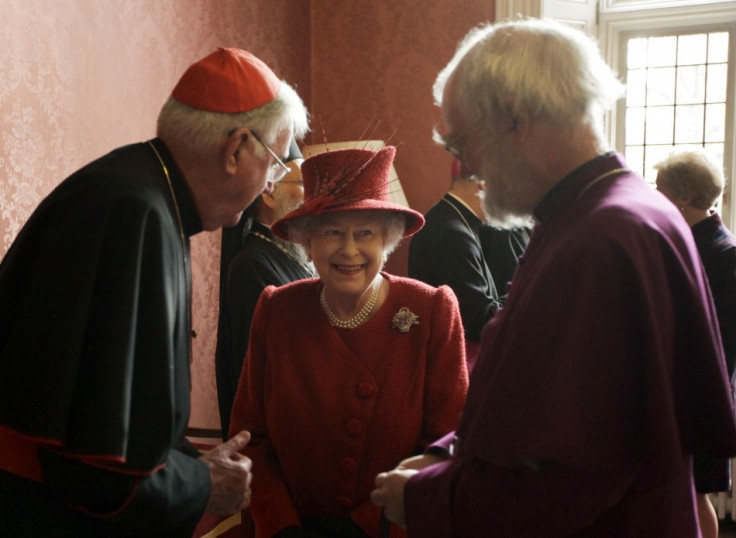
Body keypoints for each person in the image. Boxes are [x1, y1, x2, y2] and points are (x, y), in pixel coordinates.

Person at [371, 19, 736, 537]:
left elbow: (574, 473)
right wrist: (444, 456)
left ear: (515, 120)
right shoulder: (604, 212)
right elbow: (532, 404)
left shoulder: (600, 237)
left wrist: (427, 496)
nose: (464, 166)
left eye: (461, 144)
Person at [0, 47, 308, 537]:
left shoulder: (138, 190)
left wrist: (192, 465)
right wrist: (203, 485)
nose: (269, 182)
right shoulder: (136, 217)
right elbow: (96, 470)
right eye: (273, 164)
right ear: (236, 149)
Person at [229, 145, 469, 537]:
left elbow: (448, 442)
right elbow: (249, 439)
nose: (349, 249)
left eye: (365, 233)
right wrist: (281, 525)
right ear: (307, 242)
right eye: (332, 232)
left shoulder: (431, 310)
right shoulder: (278, 310)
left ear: (388, 239)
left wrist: (367, 527)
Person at [655, 148, 736, 538]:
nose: (655, 198)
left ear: (683, 198)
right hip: (678, 393)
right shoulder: (686, 243)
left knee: (695, 495)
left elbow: (725, 343)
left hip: (699, 397)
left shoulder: (725, 254)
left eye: (660, 190)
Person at [216, 139, 314, 440]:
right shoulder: (252, 265)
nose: (311, 196)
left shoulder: (291, 254)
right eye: (303, 183)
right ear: (270, 191)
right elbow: (266, 371)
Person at [408, 158, 501, 368]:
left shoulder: (450, 219)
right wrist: (525, 288)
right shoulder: (451, 234)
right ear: (483, 184)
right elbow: (478, 321)